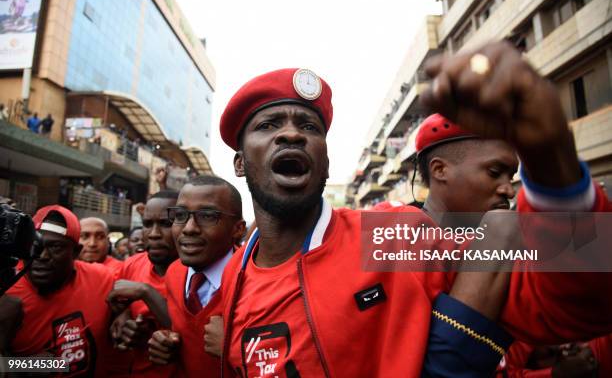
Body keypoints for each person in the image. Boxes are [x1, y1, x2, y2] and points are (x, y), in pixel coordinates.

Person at [215, 42, 612, 377]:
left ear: (325, 158)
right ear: (239, 163)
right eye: (268, 125)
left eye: (309, 126)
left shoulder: (393, 237)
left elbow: (576, 309)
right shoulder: (234, 274)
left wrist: (552, 161)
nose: (292, 133)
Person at [146, 175, 245, 377]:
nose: (189, 228)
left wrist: (235, 347)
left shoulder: (253, 280)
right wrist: (168, 343)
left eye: (207, 216)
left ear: (238, 229)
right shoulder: (174, 272)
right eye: (180, 215)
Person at [2, 205, 115, 376]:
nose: (43, 256)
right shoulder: (5, 290)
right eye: (35, 245)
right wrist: (29, 366)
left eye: (55, 247)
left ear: (76, 252)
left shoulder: (101, 278)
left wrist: (124, 314)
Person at [107, 190, 179, 377]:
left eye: (165, 224)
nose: (154, 234)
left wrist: (145, 292)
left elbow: (193, 334)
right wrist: (124, 317)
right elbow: (120, 308)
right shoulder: (132, 264)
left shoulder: (199, 274)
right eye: (147, 224)